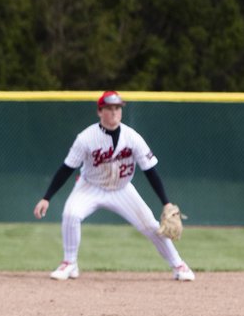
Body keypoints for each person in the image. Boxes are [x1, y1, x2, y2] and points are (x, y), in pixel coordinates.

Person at [33, 90, 194, 282]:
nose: (114, 112)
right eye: (109, 108)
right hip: (90, 187)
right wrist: (47, 197)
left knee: (151, 225)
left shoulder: (132, 137)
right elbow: (67, 168)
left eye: (117, 108)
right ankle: (69, 263)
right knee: (71, 214)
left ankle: (178, 265)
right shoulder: (86, 138)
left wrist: (166, 202)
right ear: (100, 112)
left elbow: (150, 171)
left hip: (122, 189)